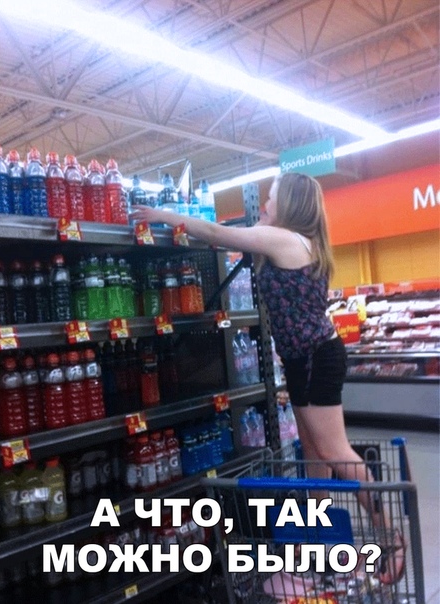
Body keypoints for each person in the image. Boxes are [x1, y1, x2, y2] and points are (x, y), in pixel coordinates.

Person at [131, 171, 405, 584]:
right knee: (315, 458)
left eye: (271, 198)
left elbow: (216, 233)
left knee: (333, 450)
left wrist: (165, 216)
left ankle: (390, 537)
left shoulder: (285, 240)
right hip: (305, 358)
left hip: (314, 359)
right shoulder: (301, 241)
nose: (264, 205)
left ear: (290, 204)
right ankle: (314, 544)